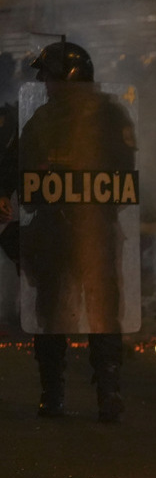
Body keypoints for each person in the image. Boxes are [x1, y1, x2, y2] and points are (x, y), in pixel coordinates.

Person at [7, 41, 137, 422]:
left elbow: (124, 174)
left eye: (48, 75)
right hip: (51, 229)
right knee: (49, 313)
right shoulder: (41, 120)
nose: (44, 83)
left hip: (96, 229)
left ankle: (109, 389)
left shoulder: (111, 117)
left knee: (103, 312)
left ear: (68, 77)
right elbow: (18, 163)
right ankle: (52, 390)